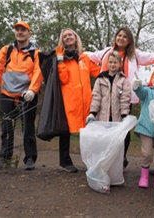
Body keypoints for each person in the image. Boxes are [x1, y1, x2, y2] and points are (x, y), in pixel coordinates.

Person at [88, 27, 154, 168]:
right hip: (105, 95)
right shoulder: (106, 52)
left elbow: (152, 57)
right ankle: (106, 158)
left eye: (125, 37)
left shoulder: (134, 54)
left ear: (129, 41)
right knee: (105, 125)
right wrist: (95, 71)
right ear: (115, 37)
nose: (121, 38)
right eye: (119, 35)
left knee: (123, 127)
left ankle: (121, 157)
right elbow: (89, 56)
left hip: (125, 97)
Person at [0, 21, 43, 170]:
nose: (20, 32)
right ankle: (4, 157)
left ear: (29, 33)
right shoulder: (6, 50)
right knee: (6, 128)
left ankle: (30, 159)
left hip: (27, 95)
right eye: (17, 30)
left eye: (23, 30)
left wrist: (33, 90)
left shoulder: (36, 53)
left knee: (28, 127)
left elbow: (38, 72)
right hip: (7, 94)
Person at [53, 28, 101, 173]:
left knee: (90, 131)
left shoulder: (84, 57)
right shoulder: (61, 57)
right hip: (69, 100)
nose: (68, 37)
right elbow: (63, 79)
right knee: (65, 131)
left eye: (70, 34)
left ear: (76, 37)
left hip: (86, 99)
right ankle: (65, 162)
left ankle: (92, 162)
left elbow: (98, 72)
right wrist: (60, 61)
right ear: (62, 40)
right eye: (65, 35)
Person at [86, 51, 131, 124]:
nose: (112, 64)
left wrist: (124, 115)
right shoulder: (100, 79)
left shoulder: (124, 80)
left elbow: (125, 99)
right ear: (107, 63)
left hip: (117, 118)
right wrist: (92, 113)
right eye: (110, 62)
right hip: (102, 117)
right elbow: (96, 97)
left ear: (120, 64)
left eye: (115, 62)